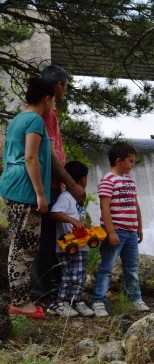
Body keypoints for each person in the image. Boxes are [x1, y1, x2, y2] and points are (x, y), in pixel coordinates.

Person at [29, 65, 87, 305]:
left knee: (46, 239)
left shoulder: (42, 113)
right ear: (58, 86)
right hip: (49, 184)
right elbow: (49, 155)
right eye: (66, 86)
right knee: (44, 242)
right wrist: (72, 185)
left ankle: (49, 291)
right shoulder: (47, 113)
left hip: (51, 184)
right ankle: (42, 294)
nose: (66, 91)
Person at [0, 77, 54, 319]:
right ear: (47, 99)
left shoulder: (18, 119)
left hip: (12, 182)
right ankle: (20, 302)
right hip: (25, 188)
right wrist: (41, 194)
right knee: (24, 247)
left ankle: (21, 298)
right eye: (53, 101)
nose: (54, 106)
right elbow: (30, 158)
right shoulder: (34, 120)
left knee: (20, 243)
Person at [91, 141, 149, 317]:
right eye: (130, 161)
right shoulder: (108, 181)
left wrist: (139, 227)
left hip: (131, 231)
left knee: (132, 267)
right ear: (118, 161)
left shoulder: (130, 181)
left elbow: (135, 205)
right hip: (116, 231)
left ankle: (135, 298)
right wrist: (111, 232)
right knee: (107, 267)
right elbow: (104, 208)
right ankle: (99, 301)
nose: (132, 165)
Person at [47, 161, 95, 317]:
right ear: (83, 179)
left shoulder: (78, 199)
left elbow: (80, 217)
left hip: (81, 244)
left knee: (80, 275)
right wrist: (73, 221)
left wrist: (85, 225)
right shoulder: (66, 197)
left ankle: (76, 300)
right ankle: (59, 303)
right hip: (69, 244)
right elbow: (54, 213)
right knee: (68, 275)